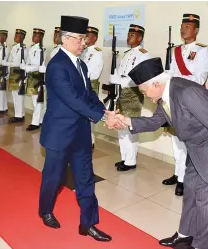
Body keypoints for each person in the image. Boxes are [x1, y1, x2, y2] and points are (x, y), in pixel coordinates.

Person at [111, 57, 208, 249]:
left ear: (157, 83)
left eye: (144, 91)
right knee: (191, 193)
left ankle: (202, 245)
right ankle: (185, 235)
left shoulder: (188, 93)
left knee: (207, 208)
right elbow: (154, 122)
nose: (146, 96)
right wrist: (126, 120)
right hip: (196, 152)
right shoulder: (166, 94)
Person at [39, 15, 119, 242]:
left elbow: (88, 94)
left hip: (81, 133)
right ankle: (45, 210)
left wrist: (105, 112)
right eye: (80, 39)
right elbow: (71, 99)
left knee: (85, 179)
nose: (84, 43)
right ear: (65, 39)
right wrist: (101, 118)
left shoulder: (81, 64)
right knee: (53, 178)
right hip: (59, 133)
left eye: (85, 39)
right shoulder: (56, 66)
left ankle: (89, 223)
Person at [163, 13, 208, 196]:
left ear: (196, 30)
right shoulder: (176, 50)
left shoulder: (202, 50)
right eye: (182, 27)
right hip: (176, 99)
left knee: (186, 142)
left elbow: (200, 78)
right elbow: (170, 74)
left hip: (192, 100)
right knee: (176, 139)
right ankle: (177, 174)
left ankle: (184, 180)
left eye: (188, 27)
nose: (184, 30)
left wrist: (177, 79)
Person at [109, 24, 151, 171]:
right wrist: (116, 78)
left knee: (131, 127)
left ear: (140, 37)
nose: (128, 37)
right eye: (128, 34)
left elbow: (141, 77)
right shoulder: (126, 53)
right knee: (121, 125)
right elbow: (121, 72)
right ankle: (124, 157)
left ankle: (131, 161)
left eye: (132, 35)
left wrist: (120, 80)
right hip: (122, 93)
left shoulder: (143, 54)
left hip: (133, 94)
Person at [81, 26, 104, 147]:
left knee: (89, 115)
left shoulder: (97, 52)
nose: (85, 38)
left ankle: (91, 141)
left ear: (95, 38)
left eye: (88, 36)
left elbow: (94, 73)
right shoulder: (82, 50)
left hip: (90, 85)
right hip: (81, 84)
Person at [24, 28, 47, 131]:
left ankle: (35, 122)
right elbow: (29, 61)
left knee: (38, 101)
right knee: (35, 100)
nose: (33, 37)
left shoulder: (41, 49)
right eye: (33, 35)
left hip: (38, 77)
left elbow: (38, 65)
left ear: (41, 37)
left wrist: (26, 68)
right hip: (31, 76)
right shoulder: (32, 47)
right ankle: (40, 120)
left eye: (36, 36)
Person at [6, 29, 28, 123]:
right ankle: (18, 115)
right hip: (13, 73)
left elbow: (19, 62)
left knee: (19, 96)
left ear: (22, 37)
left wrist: (9, 63)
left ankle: (20, 116)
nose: (15, 37)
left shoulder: (24, 49)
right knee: (15, 95)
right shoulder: (14, 48)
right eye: (15, 35)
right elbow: (11, 60)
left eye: (18, 35)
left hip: (19, 74)